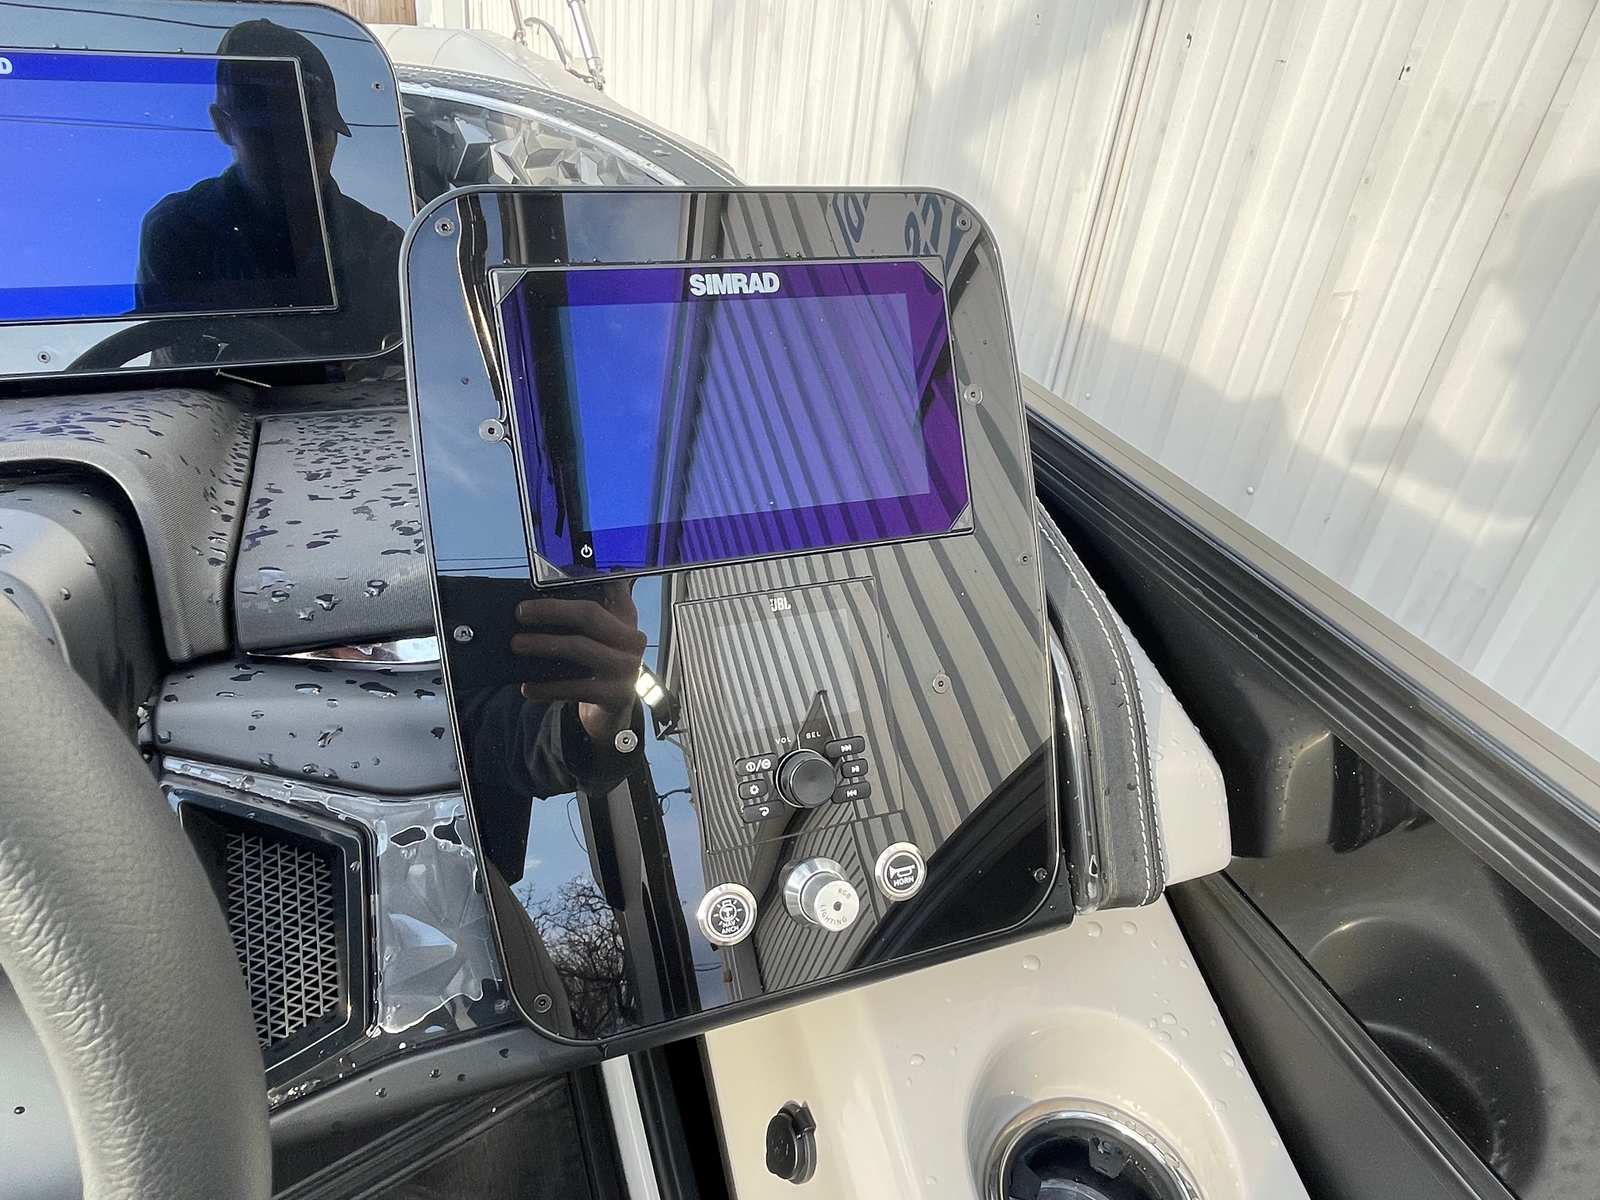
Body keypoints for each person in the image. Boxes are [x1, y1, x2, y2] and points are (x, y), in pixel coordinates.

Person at [135, 19, 402, 350]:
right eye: (270, 135)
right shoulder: (177, 231)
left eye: (312, 133)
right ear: (223, 126)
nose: (296, 154)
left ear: (335, 132)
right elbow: (176, 362)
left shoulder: (384, 245)